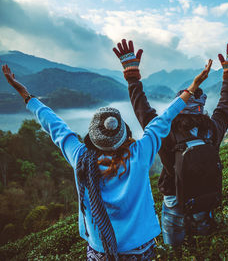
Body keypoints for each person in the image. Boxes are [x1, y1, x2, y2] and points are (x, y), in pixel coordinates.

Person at [1, 56, 212, 260]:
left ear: (92, 137)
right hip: (140, 248)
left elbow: (55, 126)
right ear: (124, 133)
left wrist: (25, 94)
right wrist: (192, 87)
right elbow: (165, 119)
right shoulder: (139, 154)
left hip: (100, 249)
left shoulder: (80, 157)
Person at [113, 40, 228, 247]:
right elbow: (226, 105)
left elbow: (142, 110)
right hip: (203, 197)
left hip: (174, 197)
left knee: (175, 250)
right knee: (203, 245)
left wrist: (132, 77)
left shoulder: (166, 131)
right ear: (202, 107)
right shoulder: (212, 129)